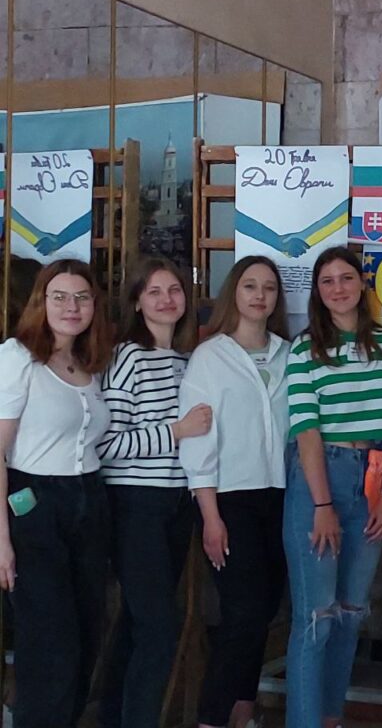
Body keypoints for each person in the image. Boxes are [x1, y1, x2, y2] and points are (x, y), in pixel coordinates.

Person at [284, 246, 382, 728]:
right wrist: (321, 503)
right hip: (319, 478)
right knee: (316, 618)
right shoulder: (306, 349)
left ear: (362, 284)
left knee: (349, 613)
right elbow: (306, 432)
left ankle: (331, 718)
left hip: (371, 478)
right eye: (327, 281)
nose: (338, 288)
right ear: (317, 292)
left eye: (346, 278)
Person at [97, 257, 213, 728]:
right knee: (158, 630)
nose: (167, 300)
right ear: (137, 302)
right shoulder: (127, 357)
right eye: (154, 291)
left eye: (175, 290)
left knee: (136, 624)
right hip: (135, 505)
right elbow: (106, 443)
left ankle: (112, 719)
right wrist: (176, 431)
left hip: (176, 504)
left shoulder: (188, 361)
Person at [178, 256, 291, 728]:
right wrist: (210, 516)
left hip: (281, 496)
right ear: (234, 293)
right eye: (250, 286)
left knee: (264, 609)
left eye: (269, 287)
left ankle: (243, 709)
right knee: (243, 611)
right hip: (228, 499)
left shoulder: (289, 354)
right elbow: (198, 441)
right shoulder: (211, 356)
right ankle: (210, 718)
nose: (259, 295)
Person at [0, 259, 112, 728]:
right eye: (60, 297)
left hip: (89, 502)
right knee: (51, 645)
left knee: (87, 637)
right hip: (34, 506)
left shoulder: (89, 362)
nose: (72, 307)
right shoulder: (18, 357)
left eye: (82, 298)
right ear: (40, 302)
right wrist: (2, 541)